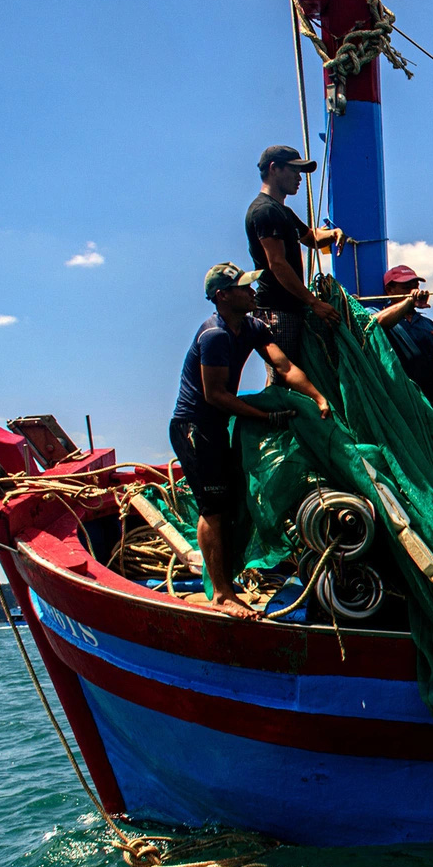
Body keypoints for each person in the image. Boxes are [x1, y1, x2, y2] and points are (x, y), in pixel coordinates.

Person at [171, 263, 332, 617]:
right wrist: (265, 417)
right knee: (213, 507)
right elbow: (214, 395)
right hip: (195, 428)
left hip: (217, 424)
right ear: (222, 296)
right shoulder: (213, 335)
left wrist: (318, 398)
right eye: (243, 288)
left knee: (229, 503)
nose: (252, 292)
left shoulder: (253, 327)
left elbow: (285, 368)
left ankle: (228, 580)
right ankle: (222, 595)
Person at [245, 145, 346, 362]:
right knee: (284, 375)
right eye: (294, 170)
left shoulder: (283, 212)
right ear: (274, 169)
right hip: (277, 311)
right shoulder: (265, 211)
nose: (299, 178)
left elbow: (310, 238)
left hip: (291, 309)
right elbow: (277, 264)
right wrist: (314, 302)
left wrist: (333, 234)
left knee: (296, 372)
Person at [371, 263, 433, 416]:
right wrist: (407, 302)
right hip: (396, 402)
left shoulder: (428, 326)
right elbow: (376, 324)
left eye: (416, 286)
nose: (414, 291)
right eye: (407, 287)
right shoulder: (376, 314)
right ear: (389, 290)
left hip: (429, 401)